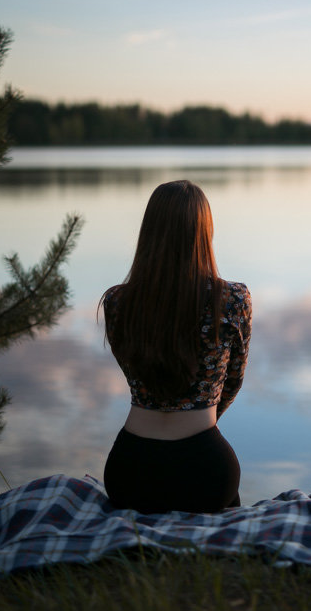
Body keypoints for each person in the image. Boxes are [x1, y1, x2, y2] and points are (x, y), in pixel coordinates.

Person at [101, 180, 252, 514]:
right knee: (231, 510)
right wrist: (202, 415)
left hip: (130, 472)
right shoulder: (232, 300)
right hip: (206, 469)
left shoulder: (117, 302)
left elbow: (132, 372)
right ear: (204, 232)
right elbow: (233, 381)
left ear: (149, 232)